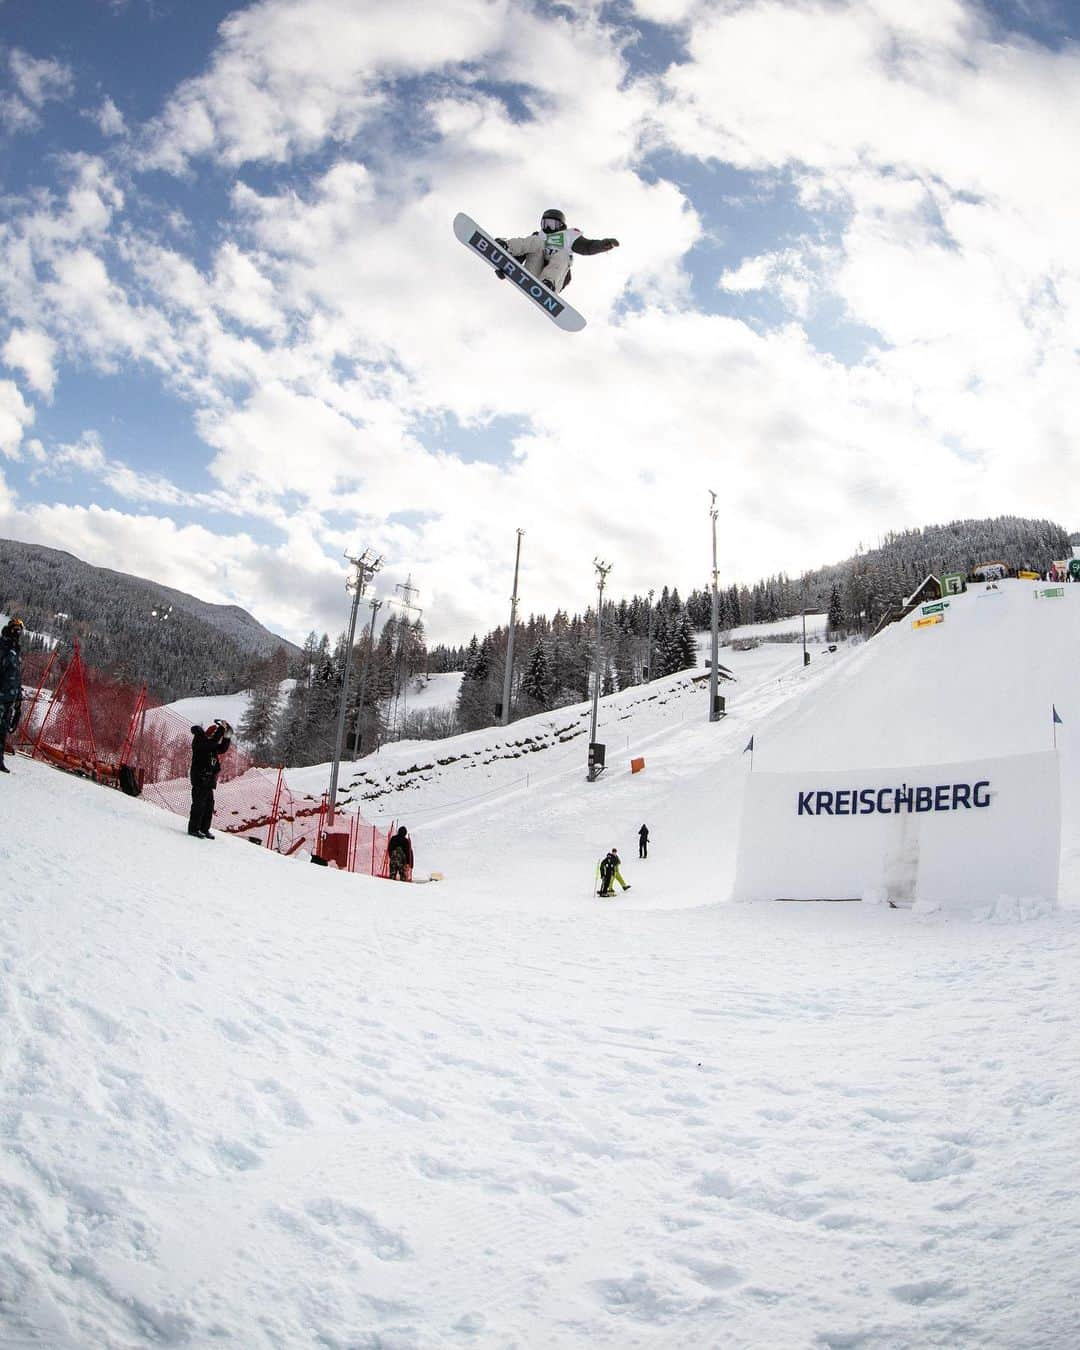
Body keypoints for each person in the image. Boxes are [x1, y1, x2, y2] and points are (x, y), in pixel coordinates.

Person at [495, 208, 619, 294]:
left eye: (552, 224)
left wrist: (603, 244)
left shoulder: (569, 236)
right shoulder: (539, 235)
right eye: (545, 224)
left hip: (555, 280)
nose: (548, 228)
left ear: (561, 225)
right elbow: (523, 252)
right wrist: (507, 266)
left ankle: (547, 283)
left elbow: (587, 246)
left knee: (563, 255)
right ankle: (506, 246)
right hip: (532, 272)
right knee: (536, 241)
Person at [188, 718, 232, 838]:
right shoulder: (200, 743)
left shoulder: (210, 746)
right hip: (200, 779)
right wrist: (221, 729)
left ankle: (204, 829)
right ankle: (194, 829)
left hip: (208, 781)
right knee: (199, 805)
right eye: (214, 735)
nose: (216, 739)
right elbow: (212, 743)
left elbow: (222, 748)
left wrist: (227, 737)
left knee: (208, 807)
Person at [0, 617, 24, 774]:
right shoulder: (3, 647)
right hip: (1, 696)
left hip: (9, 698)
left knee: (2, 731)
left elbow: (15, 676)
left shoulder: (15, 651)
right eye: (16, 630)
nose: (18, 633)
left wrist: (18, 699)